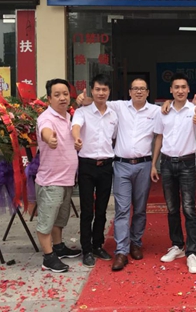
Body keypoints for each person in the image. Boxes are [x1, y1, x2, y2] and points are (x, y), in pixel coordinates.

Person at [78, 78, 160, 272]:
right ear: (129, 92)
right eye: (135, 88)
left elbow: (161, 134)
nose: (139, 92)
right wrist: (83, 99)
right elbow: (97, 101)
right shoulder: (118, 107)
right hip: (121, 165)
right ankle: (121, 250)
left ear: (148, 92)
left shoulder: (156, 111)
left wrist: (154, 164)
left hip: (144, 165)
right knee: (122, 209)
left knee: (140, 209)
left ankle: (136, 243)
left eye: (142, 89)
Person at [151, 73, 196, 274]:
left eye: (183, 87)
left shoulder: (195, 109)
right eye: (176, 87)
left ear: (188, 89)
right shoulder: (163, 111)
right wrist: (153, 164)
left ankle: (192, 252)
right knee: (172, 207)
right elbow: (159, 137)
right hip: (166, 163)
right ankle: (177, 245)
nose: (180, 90)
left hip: (187, 163)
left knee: (189, 208)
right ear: (171, 90)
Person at [35, 78, 81, 273]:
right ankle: (48, 257)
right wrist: (49, 139)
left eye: (65, 94)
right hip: (51, 181)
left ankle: (59, 246)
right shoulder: (46, 118)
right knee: (46, 220)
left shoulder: (68, 117)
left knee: (60, 218)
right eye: (57, 95)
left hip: (66, 179)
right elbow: (45, 131)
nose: (62, 98)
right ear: (49, 98)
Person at [72, 74, 117, 268]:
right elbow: (75, 127)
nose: (101, 93)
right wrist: (76, 138)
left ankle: (98, 245)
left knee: (102, 209)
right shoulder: (82, 112)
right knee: (87, 209)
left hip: (106, 166)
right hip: (87, 166)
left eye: (104, 89)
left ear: (109, 92)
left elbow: (114, 137)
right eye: (97, 89)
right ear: (92, 90)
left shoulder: (114, 114)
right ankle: (86, 249)